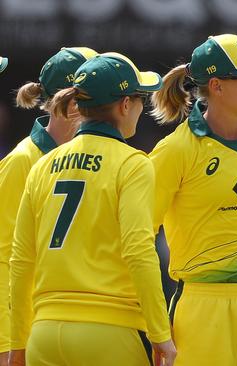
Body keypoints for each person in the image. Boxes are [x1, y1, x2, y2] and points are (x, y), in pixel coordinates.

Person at [9, 52, 176, 366]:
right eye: (139, 98)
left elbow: (20, 261)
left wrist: (17, 343)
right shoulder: (132, 163)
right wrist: (159, 333)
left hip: (44, 334)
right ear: (125, 105)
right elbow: (139, 250)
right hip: (107, 333)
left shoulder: (42, 165)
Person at [149, 34, 237, 365]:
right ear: (216, 86)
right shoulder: (175, 150)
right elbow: (139, 236)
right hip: (204, 304)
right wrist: (156, 324)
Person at [0, 47, 97, 366]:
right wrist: (7, 342)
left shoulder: (99, 156)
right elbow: (4, 259)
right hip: (35, 332)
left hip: (85, 324)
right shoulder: (21, 162)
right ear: (70, 105)